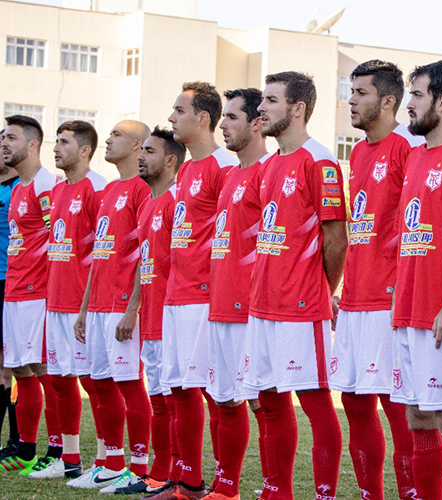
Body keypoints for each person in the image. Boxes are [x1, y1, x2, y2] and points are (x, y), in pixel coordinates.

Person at [243, 71, 347, 500]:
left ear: (298, 108)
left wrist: (321, 289)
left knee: (316, 401)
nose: (261, 108)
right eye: (262, 100)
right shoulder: (268, 166)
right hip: (262, 304)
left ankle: (324, 494)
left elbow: (336, 238)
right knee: (268, 400)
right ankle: (276, 492)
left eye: (271, 100)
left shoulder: (319, 160)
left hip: (301, 306)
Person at [330, 59, 420, 500]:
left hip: (390, 299)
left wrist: (404, 289)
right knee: (353, 401)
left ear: (388, 101)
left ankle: (411, 493)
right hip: (355, 297)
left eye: (361, 92)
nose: (351, 100)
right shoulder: (360, 152)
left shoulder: (410, 146)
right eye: (351, 91)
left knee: (397, 405)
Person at [390, 60, 442, 500]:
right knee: (418, 417)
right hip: (407, 310)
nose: (410, 103)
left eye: (418, 95)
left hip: (439, 313)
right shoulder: (415, 156)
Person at [154, 81, 238, 500]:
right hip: (176, 295)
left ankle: (226, 487)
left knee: (216, 394)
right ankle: (186, 482)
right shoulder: (186, 170)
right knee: (179, 390)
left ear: (203, 118)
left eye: (179, 111)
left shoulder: (225, 167)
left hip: (205, 296)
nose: (172, 118)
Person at [73, 120, 152, 492]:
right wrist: (84, 307)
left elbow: (146, 253)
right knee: (100, 383)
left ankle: (139, 467)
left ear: (137, 145)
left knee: (130, 384)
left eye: (117, 135)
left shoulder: (142, 189)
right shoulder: (108, 191)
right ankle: (111, 462)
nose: (108, 139)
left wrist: (133, 307)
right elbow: (98, 255)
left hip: (122, 304)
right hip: (98, 304)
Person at [27, 121, 108, 481]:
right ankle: (69, 458)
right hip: (55, 300)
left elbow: (104, 251)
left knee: (93, 382)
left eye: (64, 142)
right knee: (59, 380)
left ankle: (106, 460)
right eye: (56, 141)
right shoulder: (58, 190)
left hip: (82, 304)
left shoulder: (97, 188)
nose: (56, 148)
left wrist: (88, 305)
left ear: (85, 150)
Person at [205, 87, 269, 500]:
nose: (223, 125)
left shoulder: (268, 171)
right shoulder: (230, 176)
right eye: (223, 117)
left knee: (262, 404)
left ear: (257, 123)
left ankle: (274, 488)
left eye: (231, 117)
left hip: (252, 308)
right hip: (220, 304)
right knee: (224, 400)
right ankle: (225, 488)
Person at [119, 126, 186, 495]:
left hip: (172, 318)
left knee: (175, 402)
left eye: (149, 151)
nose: (141, 157)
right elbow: (145, 265)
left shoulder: (177, 201)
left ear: (171, 160)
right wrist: (134, 308)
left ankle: (177, 474)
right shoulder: (147, 205)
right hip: (150, 320)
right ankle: (158, 474)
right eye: (141, 150)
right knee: (158, 401)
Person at [0, 115, 59, 475]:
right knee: (21, 369)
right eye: (3, 138)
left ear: (33, 144)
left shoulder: (45, 185)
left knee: (44, 370)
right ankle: (26, 450)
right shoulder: (19, 188)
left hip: (38, 294)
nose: (4, 144)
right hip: (14, 290)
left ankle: (58, 450)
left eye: (12, 138)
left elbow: (59, 242)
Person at [0, 127, 20, 462]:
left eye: (8, 140)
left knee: (13, 368)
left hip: (12, 283)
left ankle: (19, 441)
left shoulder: (24, 187)